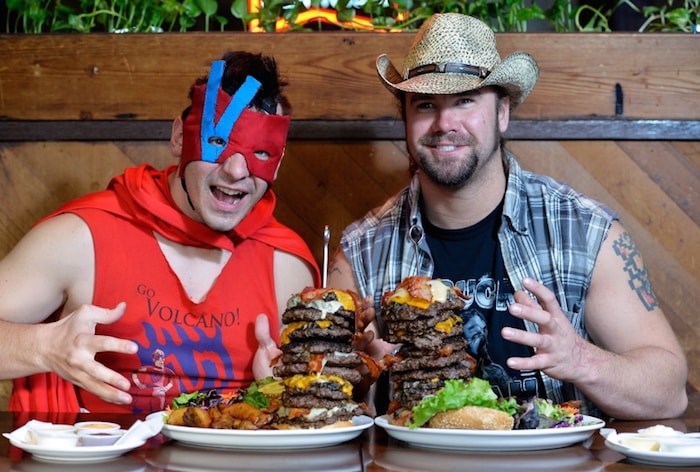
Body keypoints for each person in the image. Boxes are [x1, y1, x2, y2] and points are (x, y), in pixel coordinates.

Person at [328, 13, 688, 420]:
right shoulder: (360, 252)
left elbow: (669, 391)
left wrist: (581, 360)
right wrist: (358, 375)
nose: (445, 123)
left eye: (465, 100)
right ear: (407, 120)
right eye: (426, 105)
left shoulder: (583, 231)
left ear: (502, 112)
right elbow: (335, 400)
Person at [0, 51, 320, 414]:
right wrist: (43, 346)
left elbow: (316, 408)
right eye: (217, 143)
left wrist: (276, 388)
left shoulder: (288, 267)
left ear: (277, 165)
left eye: (260, 151)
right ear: (180, 138)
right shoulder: (82, 238)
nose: (235, 170)